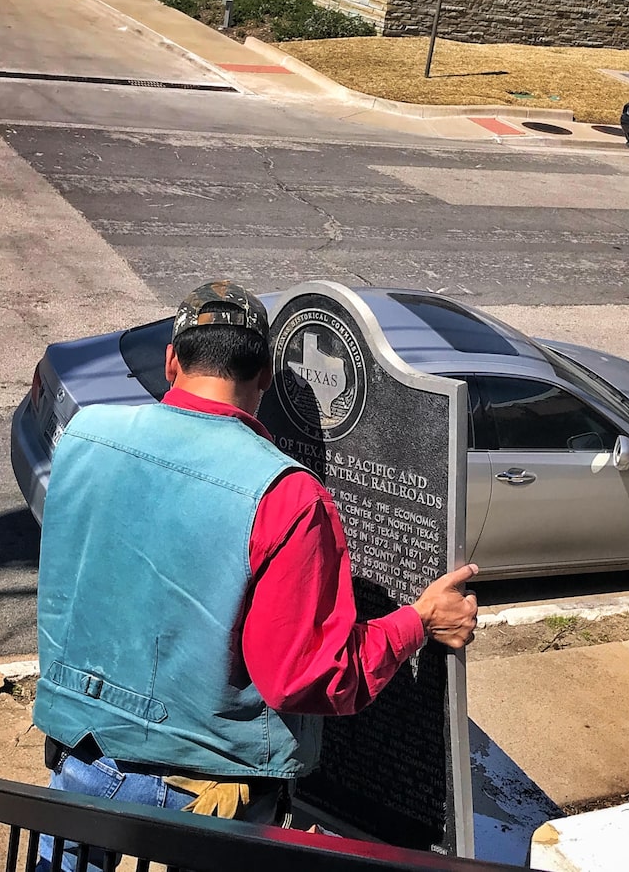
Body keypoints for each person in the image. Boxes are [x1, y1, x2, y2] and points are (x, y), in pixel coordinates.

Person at [33, 279, 478, 870]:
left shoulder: (85, 438)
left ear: (172, 362)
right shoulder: (290, 498)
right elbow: (305, 675)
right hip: (207, 801)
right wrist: (416, 622)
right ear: (265, 377)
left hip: (80, 758)